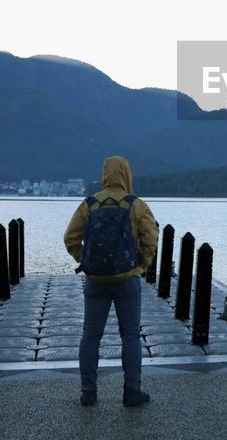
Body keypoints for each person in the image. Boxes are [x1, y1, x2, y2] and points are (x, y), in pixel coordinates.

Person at [63, 155, 159, 407]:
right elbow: (151, 238)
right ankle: (132, 392)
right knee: (130, 336)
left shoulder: (89, 204)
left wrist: (84, 260)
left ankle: (88, 392)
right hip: (127, 279)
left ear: (105, 174)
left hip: (95, 280)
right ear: (126, 174)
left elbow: (70, 238)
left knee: (90, 335)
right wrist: (142, 264)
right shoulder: (135, 205)